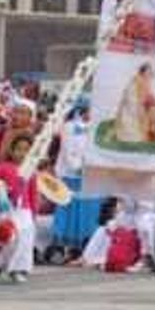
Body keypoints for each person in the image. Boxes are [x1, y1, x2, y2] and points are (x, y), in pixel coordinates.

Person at [51, 102, 103, 257]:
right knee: (68, 208)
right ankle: (61, 245)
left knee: (88, 210)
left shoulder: (96, 127)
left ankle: (85, 244)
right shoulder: (69, 127)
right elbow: (68, 151)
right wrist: (78, 167)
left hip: (91, 177)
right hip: (71, 175)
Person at [0, 135, 38, 284]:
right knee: (10, 240)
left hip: (25, 210)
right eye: (19, 149)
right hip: (8, 210)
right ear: (12, 150)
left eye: (26, 150)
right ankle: (3, 264)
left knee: (26, 239)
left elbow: (33, 193)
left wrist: (34, 212)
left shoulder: (31, 171)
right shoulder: (4, 168)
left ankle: (19, 269)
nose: (22, 153)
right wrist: (0, 188)